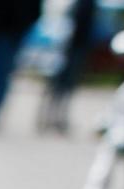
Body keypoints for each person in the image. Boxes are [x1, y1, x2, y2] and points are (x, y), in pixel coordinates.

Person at [39, 0, 97, 132]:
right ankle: (51, 117)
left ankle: (53, 117)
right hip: (69, 48)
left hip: (72, 47)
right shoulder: (79, 4)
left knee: (62, 86)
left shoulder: (82, 4)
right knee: (60, 85)